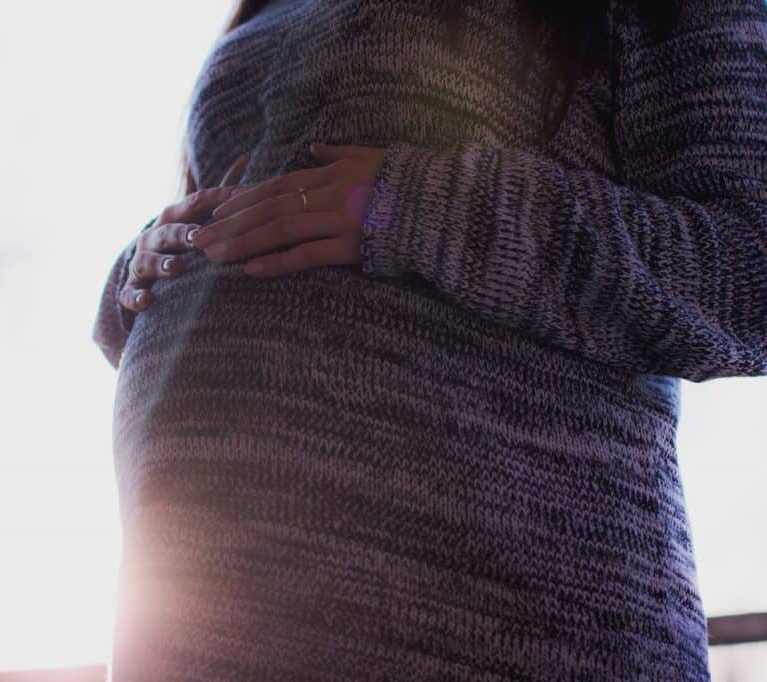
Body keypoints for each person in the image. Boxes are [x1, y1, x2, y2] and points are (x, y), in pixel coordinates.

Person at [92, 0, 767, 679]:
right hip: (200, 593)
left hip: (504, 609)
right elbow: (260, 197)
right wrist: (145, 271)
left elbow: (747, 271)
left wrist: (407, 205)